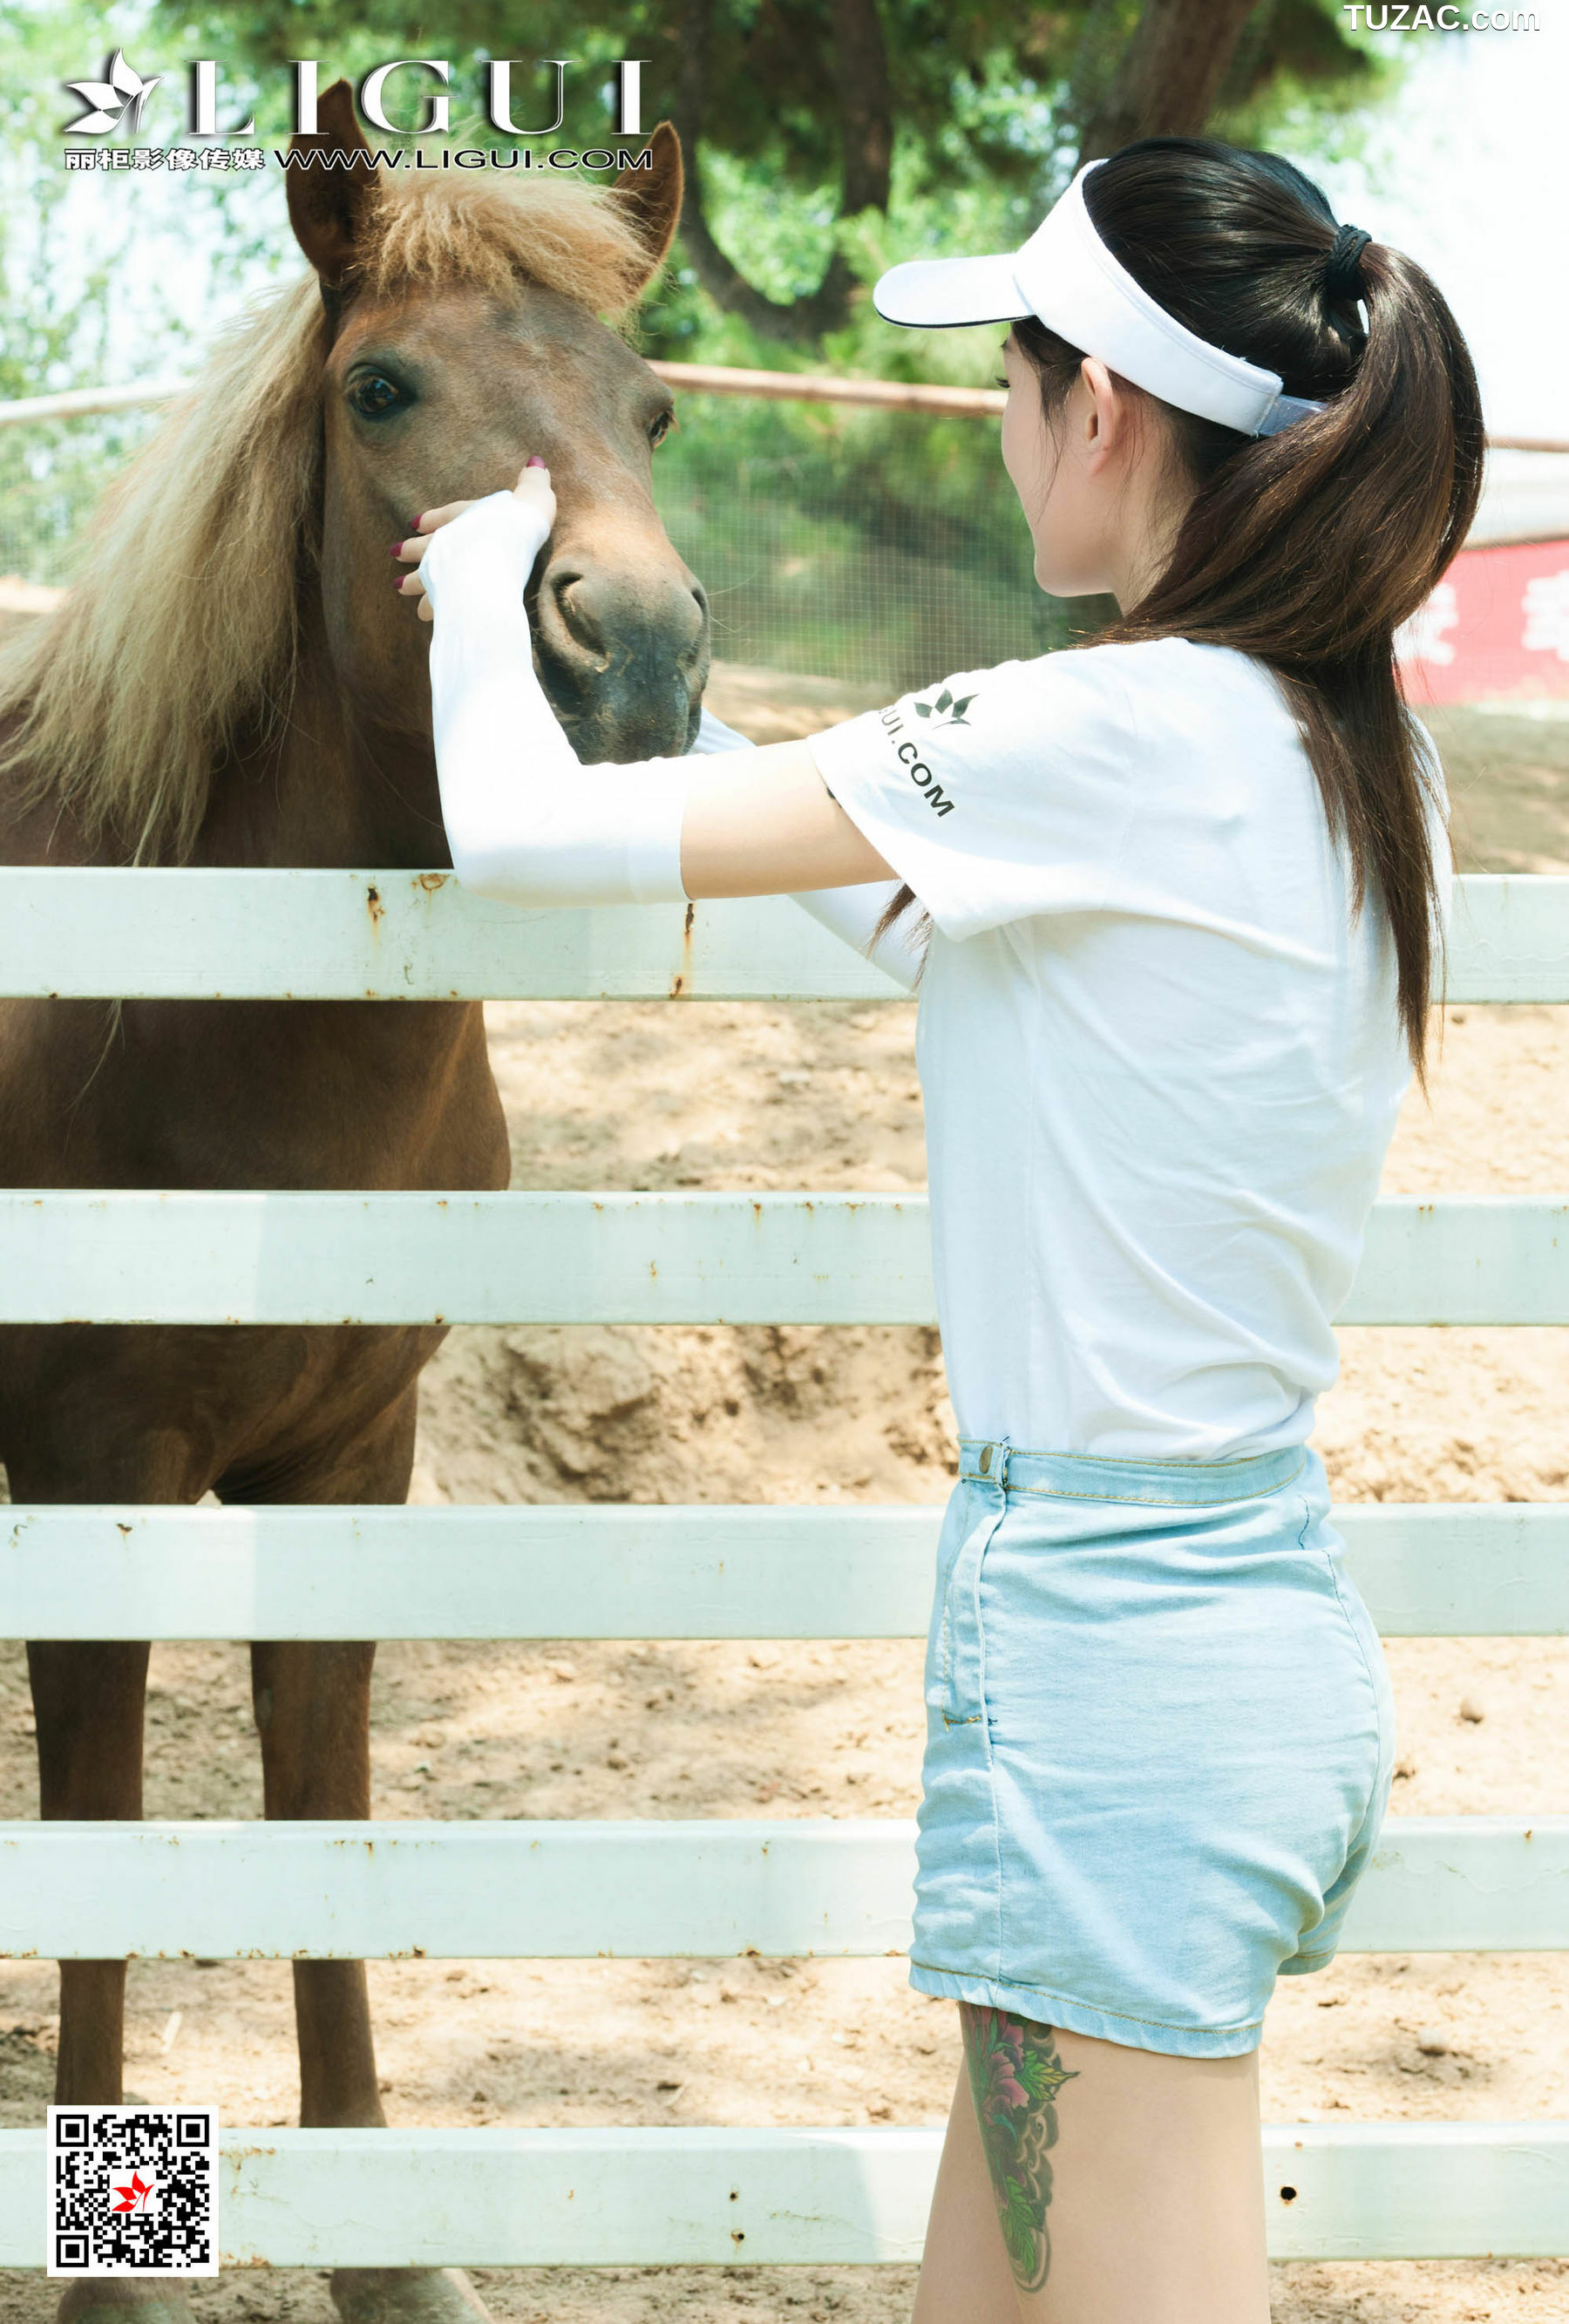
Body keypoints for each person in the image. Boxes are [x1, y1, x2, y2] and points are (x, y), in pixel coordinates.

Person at [393, 135, 1482, 2322]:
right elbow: (927, 928)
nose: (996, 421)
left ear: (1103, 412)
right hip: (1203, 1615)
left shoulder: (1105, 729)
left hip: (1114, 1658)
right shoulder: (1348, 752)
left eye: (1011, 371)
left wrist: (481, 575)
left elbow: (514, 831)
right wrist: (707, 731)